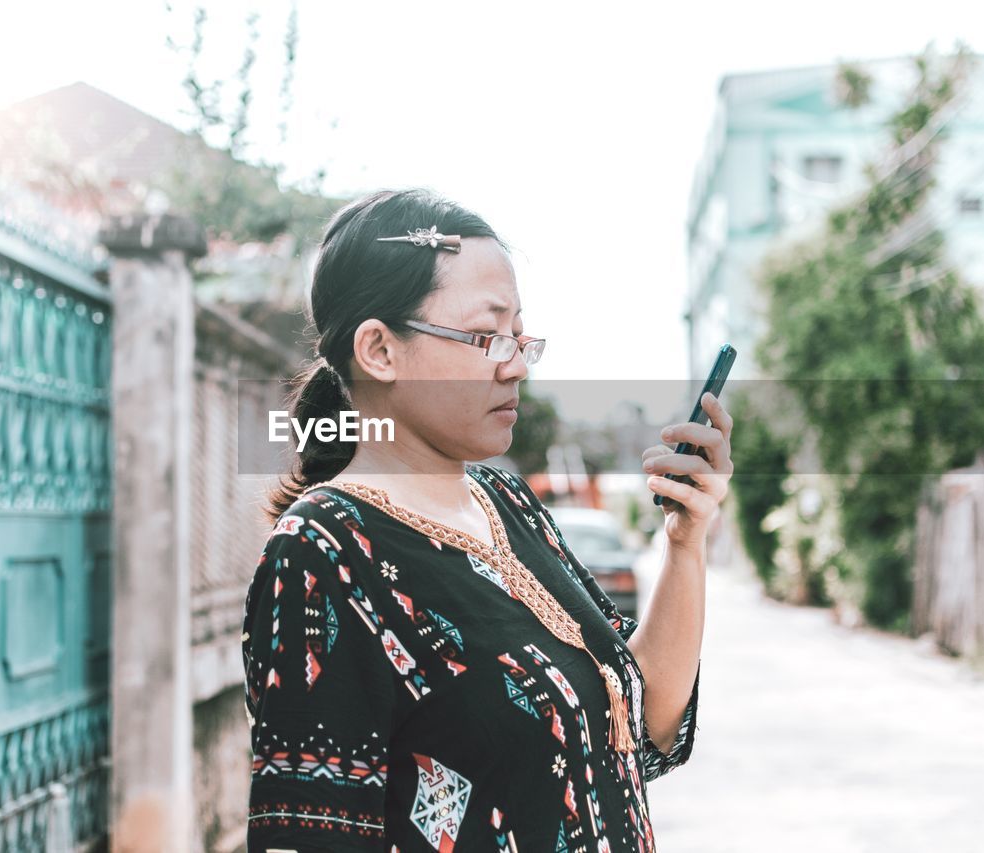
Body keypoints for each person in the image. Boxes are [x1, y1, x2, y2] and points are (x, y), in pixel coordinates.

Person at [241, 188, 734, 851]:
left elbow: (642, 721)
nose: (518, 362)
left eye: (520, 334)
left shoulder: (508, 502)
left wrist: (684, 542)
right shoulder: (321, 549)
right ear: (380, 350)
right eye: (487, 336)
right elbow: (308, 837)